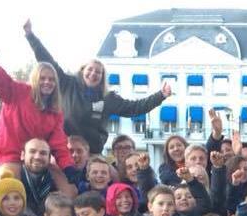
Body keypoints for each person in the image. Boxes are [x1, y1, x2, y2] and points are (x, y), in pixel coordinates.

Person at [24, 19, 170, 155]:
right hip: (63, 148)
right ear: (82, 71)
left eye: (98, 72)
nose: (93, 74)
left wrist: (160, 95)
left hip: (91, 152)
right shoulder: (68, 84)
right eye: (90, 70)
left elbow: (136, 108)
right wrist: (31, 36)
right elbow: (47, 60)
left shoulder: (108, 98)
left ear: (102, 77)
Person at [0, 29, 73, 178]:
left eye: (51, 80)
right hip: (9, 155)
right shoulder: (17, 92)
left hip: (37, 159)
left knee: (69, 189)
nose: (47, 82)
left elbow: (59, 143)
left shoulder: (55, 111)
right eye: (43, 78)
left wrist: (68, 166)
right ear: (35, 79)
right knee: (10, 184)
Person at [18, 138, 77, 216]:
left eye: (43, 153)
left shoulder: (56, 181)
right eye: (32, 151)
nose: (37, 157)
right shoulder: (14, 179)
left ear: (49, 158)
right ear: (22, 155)